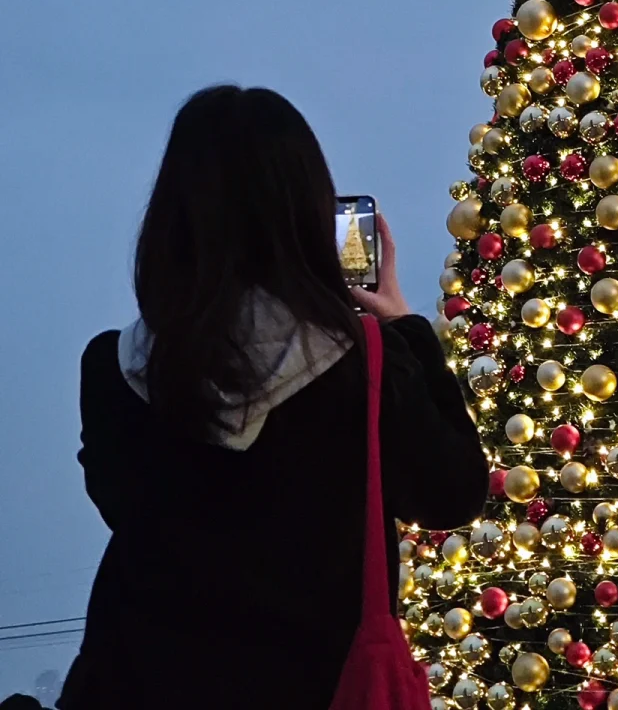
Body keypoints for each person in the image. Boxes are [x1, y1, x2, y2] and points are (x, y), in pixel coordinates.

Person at [59, 86, 489, 710]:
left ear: (174, 215)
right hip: (323, 686)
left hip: (135, 682)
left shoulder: (112, 367)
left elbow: (125, 511)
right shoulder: (364, 362)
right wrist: (403, 326)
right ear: (309, 214)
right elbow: (453, 494)